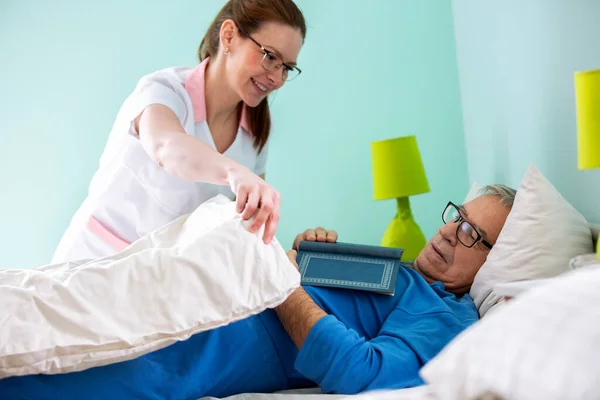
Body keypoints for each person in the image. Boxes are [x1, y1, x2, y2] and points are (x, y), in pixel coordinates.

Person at [1, 185, 516, 399]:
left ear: (498, 260)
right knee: (60, 293)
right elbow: (326, 296)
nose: (449, 230)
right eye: (458, 216)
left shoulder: (448, 317)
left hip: (218, 330)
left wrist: (281, 284)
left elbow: (365, 372)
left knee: (59, 358)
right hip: (221, 280)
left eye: (472, 234)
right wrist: (308, 258)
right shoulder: (405, 273)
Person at [51, 0, 306, 263]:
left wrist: (296, 248)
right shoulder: (164, 91)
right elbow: (167, 147)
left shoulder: (257, 131)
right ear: (228, 36)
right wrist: (234, 172)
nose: (277, 78)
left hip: (162, 281)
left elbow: (242, 224)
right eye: (270, 57)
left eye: (286, 67)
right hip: (91, 264)